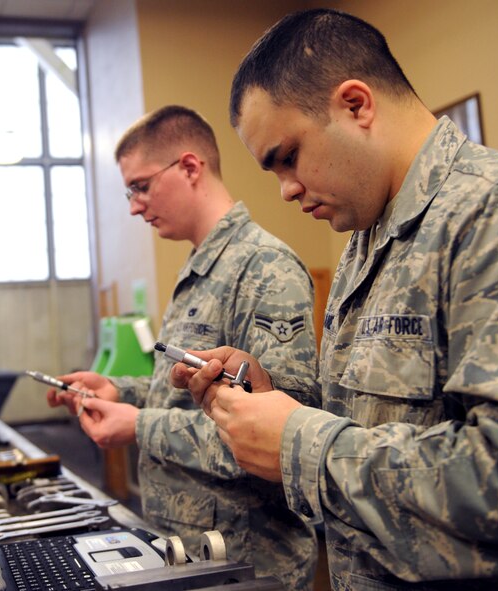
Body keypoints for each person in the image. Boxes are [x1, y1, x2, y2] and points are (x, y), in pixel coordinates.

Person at [171, 9, 498, 591]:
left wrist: (299, 444)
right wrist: (269, 401)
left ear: (356, 105)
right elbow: (378, 427)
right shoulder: (369, 239)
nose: (285, 189)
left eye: (287, 156)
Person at [46, 105, 320, 590]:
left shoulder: (264, 268)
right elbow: (188, 395)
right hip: (192, 551)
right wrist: (119, 391)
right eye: (129, 191)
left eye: (141, 186)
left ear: (190, 167)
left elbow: (278, 438)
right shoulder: (200, 268)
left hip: (248, 563)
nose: (134, 206)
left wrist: (138, 425)